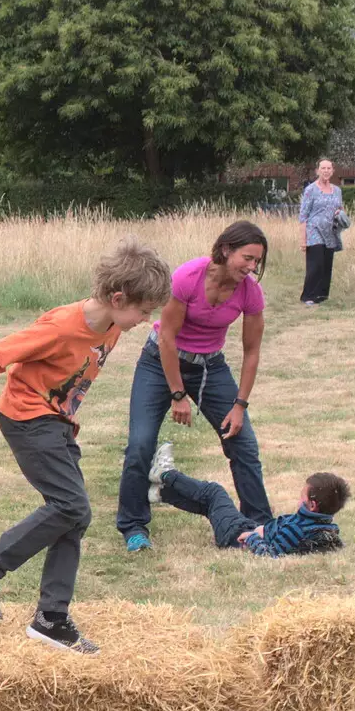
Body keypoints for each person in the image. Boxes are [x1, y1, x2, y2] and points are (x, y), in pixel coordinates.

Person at [0, 238, 170, 655]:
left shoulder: (113, 326)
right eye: (143, 311)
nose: (146, 319)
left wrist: (66, 419)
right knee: (72, 506)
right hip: (26, 419)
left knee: (75, 516)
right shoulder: (63, 326)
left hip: (56, 424)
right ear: (119, 298)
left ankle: (51, 618)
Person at [116, 220, 273, 554]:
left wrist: (240, 405)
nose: (251, 267)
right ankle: (133, 526)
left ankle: (259, 524)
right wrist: (177, 394)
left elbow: (252, 352)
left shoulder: (250, 292)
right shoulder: (189, 277)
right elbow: (167, 338)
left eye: (257, 261)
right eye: (247, 257)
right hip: (159, 361)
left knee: (242, 442)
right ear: (226, 249)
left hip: (210, 367)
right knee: (141, 444)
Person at [153, 460, 348, 556]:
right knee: (211, 507)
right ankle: (159, 493)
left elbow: (270, 554)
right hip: (250, 526)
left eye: (301, 497)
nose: (298, 501)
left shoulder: (296, 529)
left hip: (235, 536)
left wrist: (253, 536)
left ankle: (164, 474)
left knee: (214, 493)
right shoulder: (326, 528)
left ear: (312, 505)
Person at [298, 158, 346, 306]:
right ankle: (308, 296)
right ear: (317, 171)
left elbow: (340, 208)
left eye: (328, 168)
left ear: (332, 171)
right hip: (314, 230)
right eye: (323, 168)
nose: (326, 171)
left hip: (330, 231)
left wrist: (340, 213)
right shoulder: (310, 190)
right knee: (316, 263)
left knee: (326, 263)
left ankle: (322, 295)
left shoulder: (337, 190)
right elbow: (303, 216)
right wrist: (303, 240)